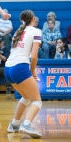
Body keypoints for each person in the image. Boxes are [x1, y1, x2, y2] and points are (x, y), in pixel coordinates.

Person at [5, 10, 42, 138]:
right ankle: (26, 124)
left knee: (26, 97)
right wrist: (32, 71)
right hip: (20, 67)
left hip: (8, 69)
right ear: (33, 18)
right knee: (37, 101)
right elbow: (34, 56)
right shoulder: (36, 31)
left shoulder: (18, 31)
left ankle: (14, 124)